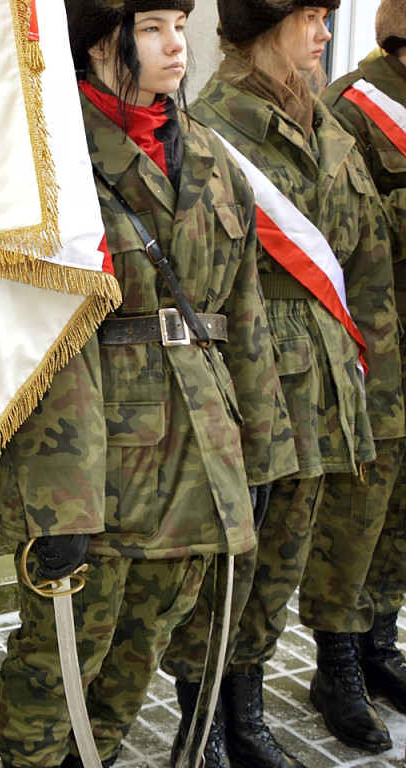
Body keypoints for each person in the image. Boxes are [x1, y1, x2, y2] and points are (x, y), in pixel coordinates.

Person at [0, 0, 297, 764]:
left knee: (140, 654)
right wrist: (60, 503)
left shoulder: (211, 157)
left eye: (180, 28)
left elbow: (243, 316)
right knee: (61, 659)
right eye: (152, 29)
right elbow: (41, 339)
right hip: (98, 464)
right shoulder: (52, 161)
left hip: (199, 457)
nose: (175, 46)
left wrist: (261, 456)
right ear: (101, 46)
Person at [161, 0, 403, 764]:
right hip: (251, 381)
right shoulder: (210, 131)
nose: (326, 33)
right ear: (266, 29)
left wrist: (374, 385)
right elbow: (199, 281)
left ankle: (248, 710)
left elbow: (364, 262)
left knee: (280, 563)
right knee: (228, 566)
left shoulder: (323, 126)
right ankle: (203, 724)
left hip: (324, 386)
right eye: (312, 17)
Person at [313, 0, 406, 734]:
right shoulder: (352, 105)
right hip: (377, 343)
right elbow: (335, 235)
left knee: (402, 508)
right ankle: (336, 660)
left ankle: (381, 641)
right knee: (359, 508)